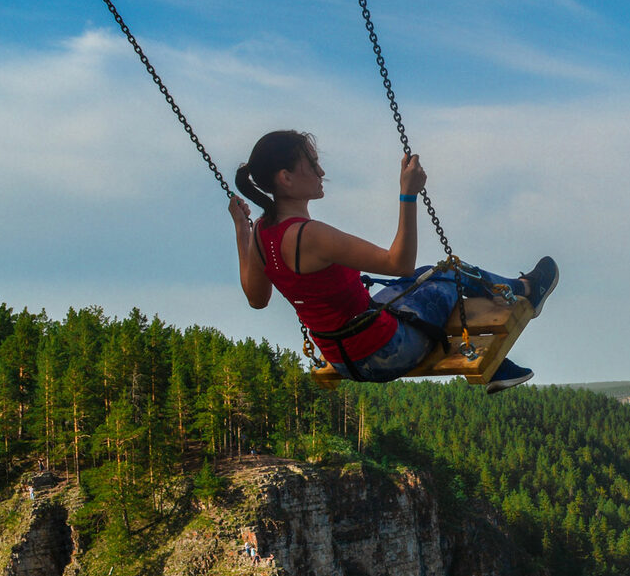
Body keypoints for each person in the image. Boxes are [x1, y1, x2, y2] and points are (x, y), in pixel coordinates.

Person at [228, 130, 556, 388]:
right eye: (312, 164)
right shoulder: (311, 236)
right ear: (285, 178)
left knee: (427, 276)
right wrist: (407, 193)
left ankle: (501, 362)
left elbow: (257, 299)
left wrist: (242, 230)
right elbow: (398, 263)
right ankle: (525, 289)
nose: (321, 170)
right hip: (385, 351)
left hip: (342, 358)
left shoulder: (261, 235)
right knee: (449, 274)